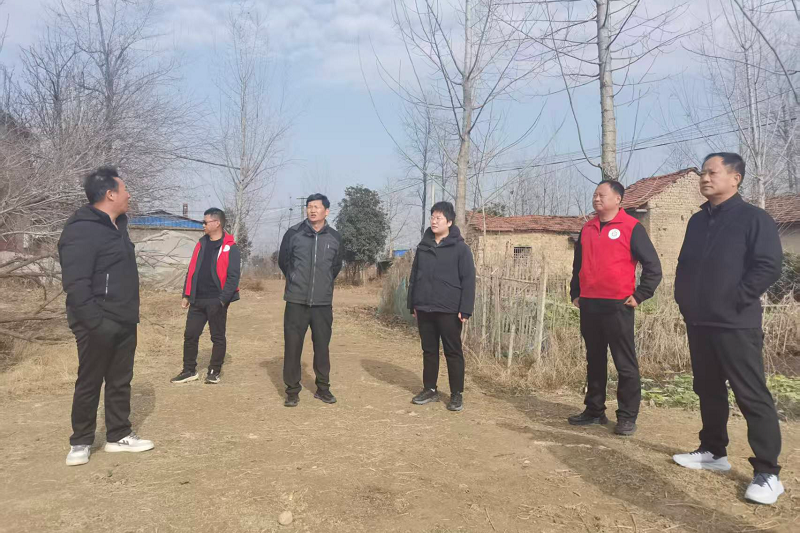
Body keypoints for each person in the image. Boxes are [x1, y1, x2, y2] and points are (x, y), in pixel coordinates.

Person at [672, 153, 784, 505]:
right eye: (702, 173)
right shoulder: (697, 221)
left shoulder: (754, 218)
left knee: (751, 394)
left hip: (736, 323)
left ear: (735, 178)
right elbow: (685, 265)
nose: (705, 178)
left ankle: (767, 472)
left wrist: (737, 299)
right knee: (707, 388)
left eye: (712, 172)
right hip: (699, 321)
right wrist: (684, 300)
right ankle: (713, 451)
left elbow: (768, 265)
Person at [58, 166, 154, 466]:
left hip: (124, 317)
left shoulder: (119, 226)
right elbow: (76, 283)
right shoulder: (81, 229)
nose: (129, 195)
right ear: (110, 194)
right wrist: (95, 322)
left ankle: (118, 435)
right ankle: (81, 441)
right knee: (90, 381)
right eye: (124, 190)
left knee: (120, 379)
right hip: (96, 320)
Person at [569, 180, 662, 436]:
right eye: (594, 195)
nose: (596, 199)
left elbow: (653, 267)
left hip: (618, 305)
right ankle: (594, 410)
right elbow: (578, 265)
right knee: (594, 359)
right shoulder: (587, 228)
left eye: (602, 195)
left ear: (618, 199)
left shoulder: (631, 227)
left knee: (624, 362)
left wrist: (640, 295)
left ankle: (627, 416)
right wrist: (575, 292)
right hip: (590, 303)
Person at [407, 201, 476, 412]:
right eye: (432, 217)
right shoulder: (423, 247)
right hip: (424, 307)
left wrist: (465, 309)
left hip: (449, 309)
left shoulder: (460, 249)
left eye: (439, 218)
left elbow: (468, 280)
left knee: (452, 351)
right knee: (429, 350)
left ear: (449, 222)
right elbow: (414, 277)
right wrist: (412, 303)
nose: (434, 221)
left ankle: (456, 394)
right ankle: (430, 389)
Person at [278, 194, 343, 407]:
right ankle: (292, 391)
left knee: (322, 347)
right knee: (292, 347)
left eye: (317, 207)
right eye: (309, 206)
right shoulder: (293, 233)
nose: (312, 210)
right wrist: (295, 279)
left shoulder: (334, 237)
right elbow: (284, 261)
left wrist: (323, 284)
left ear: (327, 211)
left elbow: (335, 267)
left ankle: (323, 388)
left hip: (322, 303)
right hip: (296, 300)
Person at [171, 208, 241, 385]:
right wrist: (186, 294)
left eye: (205, 222)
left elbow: (233, 277)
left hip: (217, 300)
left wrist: (222, 300)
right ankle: (189, 370)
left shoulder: (230, 247)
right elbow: (192, 270)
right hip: (197, 299)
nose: (203, 225)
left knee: (217, 337)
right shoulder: (201, 244)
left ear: (217, 223)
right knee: (190, 335)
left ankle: (214, 371)